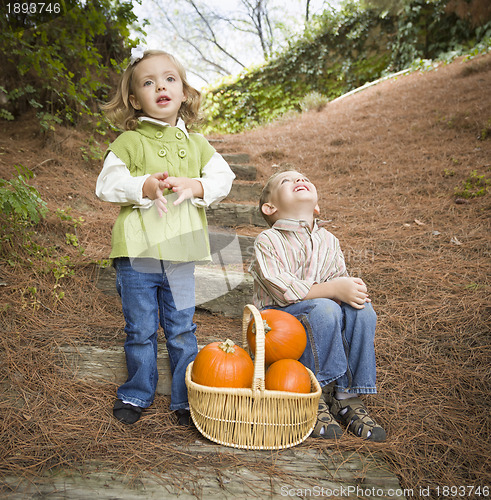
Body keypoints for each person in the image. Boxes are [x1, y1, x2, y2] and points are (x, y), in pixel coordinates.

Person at [96, 47, 235, 425]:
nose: (161, 86)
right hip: (136, 251)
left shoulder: (198, 144)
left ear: (184, 92)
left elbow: (224, 178)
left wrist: (197, 185)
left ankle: (184, 399)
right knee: (140, 328)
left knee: (181, 329)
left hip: (181, 253)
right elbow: (106, 184)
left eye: (169, 78)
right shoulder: (129, 142)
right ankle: (137, 392)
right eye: (148, 81)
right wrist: (142, 186)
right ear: (134, 99)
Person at [249, 170, 386, 441]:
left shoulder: (329, 241)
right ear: (270, 207)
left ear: (317, 206)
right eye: (287, 181)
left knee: (362, 310)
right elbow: (284, 291)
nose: (299, 181)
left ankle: (348, 396)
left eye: (303, 178)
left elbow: (337, 283)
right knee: (326, 307)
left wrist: (348, 291)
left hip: (323, 314)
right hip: (278, 322)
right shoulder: (268, 240)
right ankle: (314, 394)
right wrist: (334, 289)